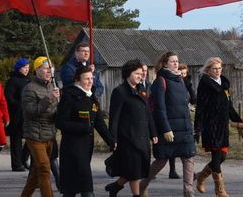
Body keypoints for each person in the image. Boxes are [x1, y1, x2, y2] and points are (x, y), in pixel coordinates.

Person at [140, 52, 197, 197]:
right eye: (172, 61)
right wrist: (166, 128)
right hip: (168, 128)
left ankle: (188, 191)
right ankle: (143, 184)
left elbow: (186, 104)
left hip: (184, 127)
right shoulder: (161, 80)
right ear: (165, 64)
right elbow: (160, 107)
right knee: (161, 160)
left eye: (177, 61)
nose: (176, 64)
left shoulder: (181, 80)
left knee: (188, 158)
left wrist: (190, 126)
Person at [56, 65, 113, 197]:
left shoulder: (91, 97)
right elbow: (60, 122)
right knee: (80, 186)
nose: (90, 81)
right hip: (72, 147)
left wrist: (111, 141)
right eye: (86, 79)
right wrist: (82, 127)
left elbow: (99, 122)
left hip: (86, 146)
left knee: (78, 184)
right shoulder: (70, 96)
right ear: (77, 80)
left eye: (91, 78)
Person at [105, 59, 157, 197]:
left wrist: (153, 132)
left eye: (141, 74)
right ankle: (136, 195)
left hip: (142, 136)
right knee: (134, 171)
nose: (140, 76)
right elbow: (114, 118)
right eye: (137, 73)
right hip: (127, 137)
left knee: (138, 168)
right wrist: (113, 138)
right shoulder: (120, 92)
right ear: (128, 73)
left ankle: (116, 186)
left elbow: (148, 113)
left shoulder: (142, 90)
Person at [193, 57, 243, 197]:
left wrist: (239, 120)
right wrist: (197, 128)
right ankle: (220, 191)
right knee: (216, 157)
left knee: (222, 157)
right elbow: (200, 107)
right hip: (211, 125)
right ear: (208, 70)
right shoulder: (205, 83)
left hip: (222, 125)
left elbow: (229, 106)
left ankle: (201, 177)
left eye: (220, 68)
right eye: (214, 68)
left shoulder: (224, 84)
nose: (218, 71)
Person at [21, 57, 61, 197]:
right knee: (44, 169)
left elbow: (56, 111)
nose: (49, 71)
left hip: (49, 134)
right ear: (37, 70)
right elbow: (30, 112)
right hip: (34, 135)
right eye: (45, 68)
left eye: (51, 68)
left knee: (36, 173)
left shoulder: (53, 86)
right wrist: (48, 98)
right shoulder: (29, 88)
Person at [5, 58, 31, 172]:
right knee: (16, 140)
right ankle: (16, 164)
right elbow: (9, 97)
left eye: (28, 67)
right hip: (16, 114)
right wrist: (19, 105)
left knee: (31, 138)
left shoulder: (28, 80)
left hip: (28, 114)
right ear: (19, 68)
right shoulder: (13, 80)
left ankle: (23, 159)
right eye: (24, 67)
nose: (27, 69)